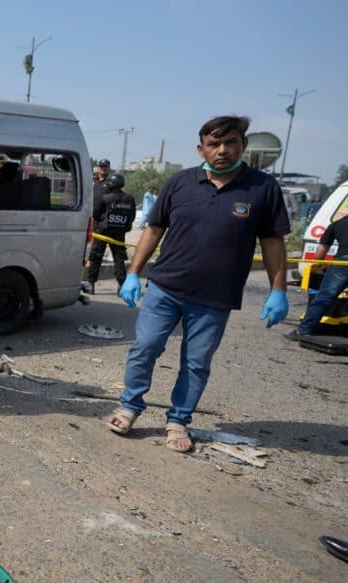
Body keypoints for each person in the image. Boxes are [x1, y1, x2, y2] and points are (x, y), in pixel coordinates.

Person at [105, 115, 290, 453]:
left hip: (215, 298)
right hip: (165, 286)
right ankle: (130, 406)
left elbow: (273, 243)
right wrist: (134, 273)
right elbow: (153, 229)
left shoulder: (263, 188)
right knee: (145, 347)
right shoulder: (180, 183)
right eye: (214, 144)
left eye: (230, 142)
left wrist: (279, 290)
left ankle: (178, 421)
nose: (222, 150)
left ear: (242, 145)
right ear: (201, 149)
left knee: (196, 362)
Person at [287, 210, 348, 339]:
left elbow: (320, 253)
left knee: (325, 296)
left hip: (347, 259)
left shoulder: (335, 225)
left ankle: (304, 330)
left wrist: (317, 267)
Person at [83, 173, 136, 293]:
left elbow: (96, 214)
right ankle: (121, 286)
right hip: (119, 232)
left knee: (96, 257)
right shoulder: (130, 198)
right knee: (119, 259)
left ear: (111, 184)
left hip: (102, 231)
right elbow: (132, 216)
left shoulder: (105, 198)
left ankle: (91, 284)